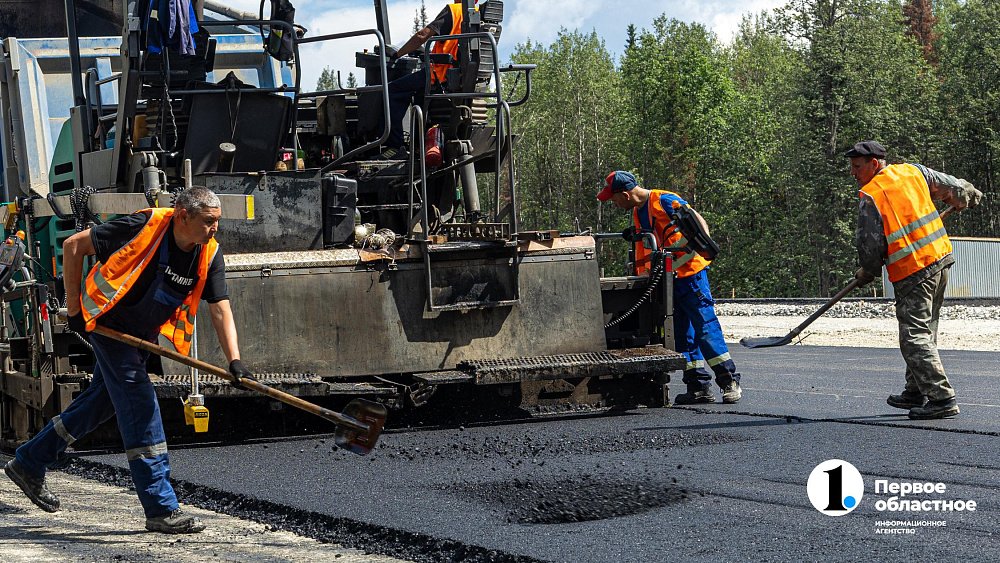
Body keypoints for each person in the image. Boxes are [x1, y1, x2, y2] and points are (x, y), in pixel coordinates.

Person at [3, 187, 255, 533]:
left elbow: (220, 308)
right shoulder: (145, 225)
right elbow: (73, 246)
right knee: (139, 402)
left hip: (141, 334)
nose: (214, 230)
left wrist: (235, 361)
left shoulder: (209, 254)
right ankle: (160, 507)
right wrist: (75, 310)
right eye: (208, 222)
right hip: (108, 324)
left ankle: (30, 461)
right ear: (183, 215)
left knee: (100, 403)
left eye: (217, 222)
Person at [847, 140, 982, 420]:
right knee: (925, 328)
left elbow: (870, 244)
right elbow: (956, 188)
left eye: (857, 167)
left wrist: (868, 271)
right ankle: (916, 389)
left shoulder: (872, 194)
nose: (853, 173)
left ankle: (942, 398)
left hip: (912, 270)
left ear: (875, 164)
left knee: (913, 336)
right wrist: (967, 195)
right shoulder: (914, 172)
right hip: (940, 259)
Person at [598, 171, 742, 405]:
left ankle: (729, 381)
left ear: (625, 194)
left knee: (705, 327)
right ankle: (698, 385)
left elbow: (697, 221)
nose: (613, 204)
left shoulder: (664, 200)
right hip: (667, 279)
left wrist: (705, 246)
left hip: (690, 275)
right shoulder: (637, 212)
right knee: (683, 333)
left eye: (613, 199)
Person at [382, 1, 471, 155]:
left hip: (440, 74)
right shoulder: (478, 13)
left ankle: (394, 146)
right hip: (460, 76)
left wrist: (397, 54)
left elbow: (422, 35)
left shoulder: (454, 11)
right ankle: (418, 144)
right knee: (418, 93)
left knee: (392, 90)